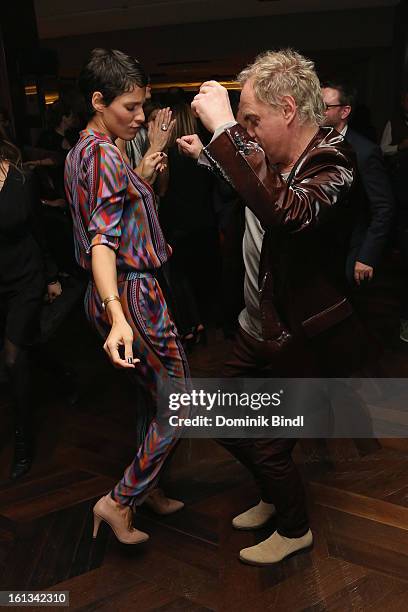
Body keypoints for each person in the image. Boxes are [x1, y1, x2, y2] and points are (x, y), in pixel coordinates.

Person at [178, 48, 373, 565]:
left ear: (288, 109)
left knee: (268, 442)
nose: (248, 131)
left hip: (304, 334)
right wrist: (212, 150)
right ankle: (272, 492)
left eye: (252, 121)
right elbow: (256, 183)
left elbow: (288, 214)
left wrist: (223, 130)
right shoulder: (281, 158)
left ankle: (295, 527)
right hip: (260, 323)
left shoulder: (334, 162)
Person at [64, 48, 189, 545]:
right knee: (179, 401)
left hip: (119, 289)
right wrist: (119, 314)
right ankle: (118, 500)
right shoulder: (105, 157)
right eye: (129, 107)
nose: (139, 116)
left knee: (149, 395)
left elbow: (117, 212)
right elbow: (101, 241)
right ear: (98, 101)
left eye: (143, 105)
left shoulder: (85, 151)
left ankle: (146, 489)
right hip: (131, 292)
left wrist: (148, 177)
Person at [0, 137, 61, 479]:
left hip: (25, 278)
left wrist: (51, 275)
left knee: (12, 356)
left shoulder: (21, 178)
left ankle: (23, 443)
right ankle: (64, 377)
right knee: (27, 346)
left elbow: (40, 230)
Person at [321, 81, 394, 287]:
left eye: (325, 106)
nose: (317, 110)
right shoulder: (311, 143)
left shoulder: (364, 151)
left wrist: (367, 255)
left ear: (344, 111)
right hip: (318, 248)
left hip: (349, 248)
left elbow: (383, 207)